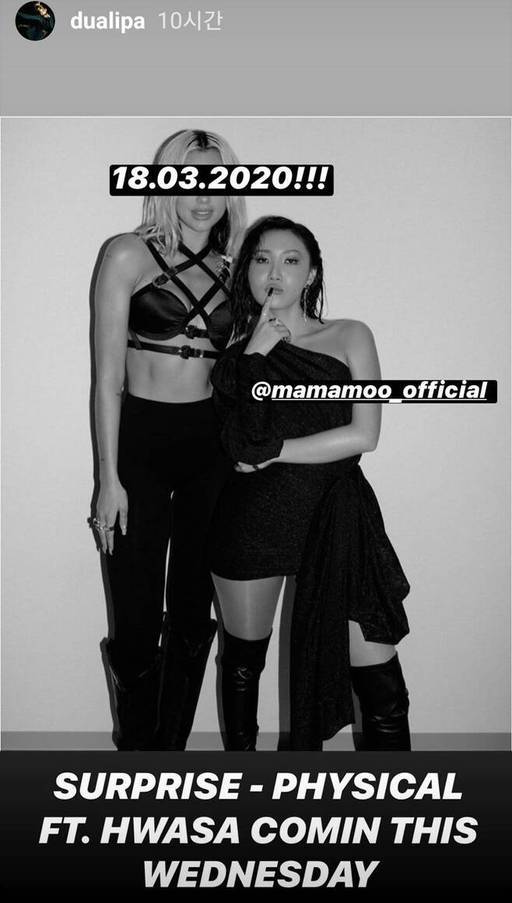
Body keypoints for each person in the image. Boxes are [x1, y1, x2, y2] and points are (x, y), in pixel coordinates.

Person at [209, 216, 411, 751]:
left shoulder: (349, 335)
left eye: (290, 260)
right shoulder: (234, 360)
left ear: (311, 273)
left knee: (383, 689)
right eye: (261, 259)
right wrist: (255, 356)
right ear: (247, 272)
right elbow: (242, 443)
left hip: (336, 517)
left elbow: (365, 434)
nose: (274, 271)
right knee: (243, 664)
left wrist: (275, 452)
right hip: (253, 522)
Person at [92, 129, 246, 750]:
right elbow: (107, 380)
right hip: (141, 447)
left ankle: (169, 758)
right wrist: (108, 479)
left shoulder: (237, 268)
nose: (203, 197)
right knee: (134, 619)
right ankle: (137, 758)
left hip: (210, 451)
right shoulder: (127, 254)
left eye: (217, 182)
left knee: (190, 613)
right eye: (189, 181)